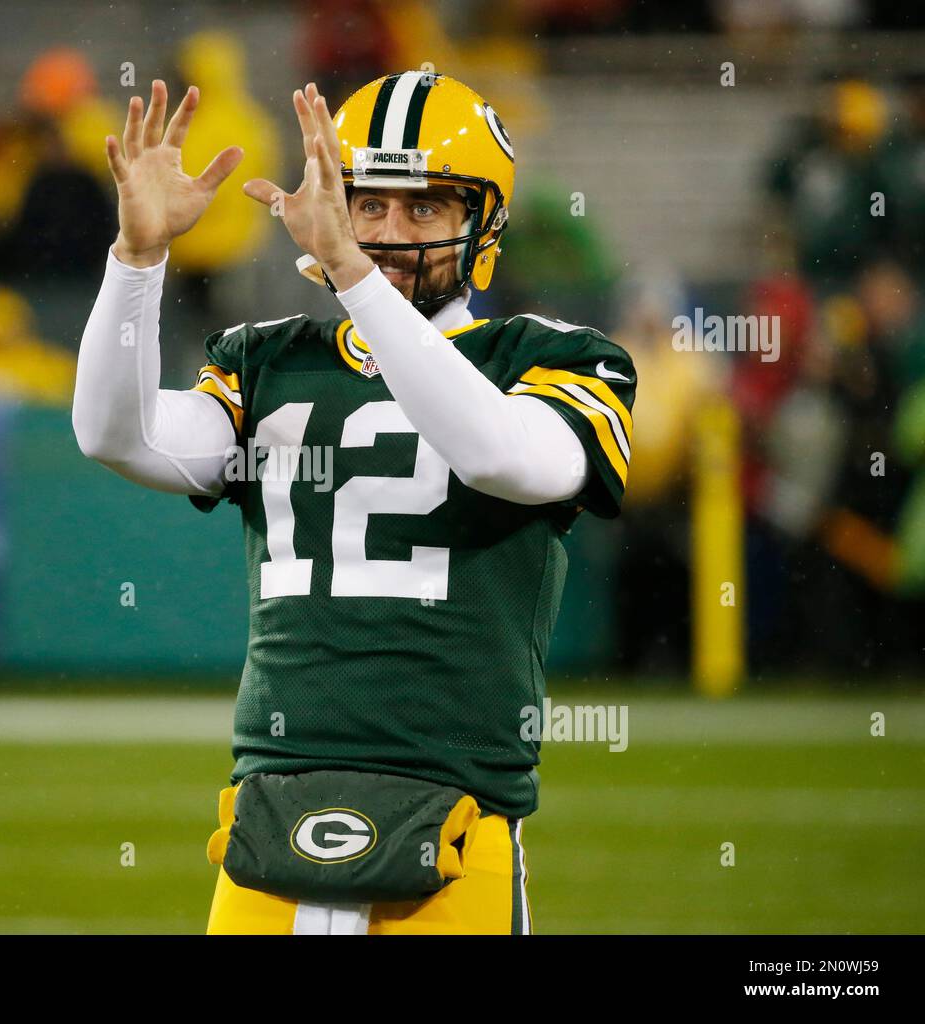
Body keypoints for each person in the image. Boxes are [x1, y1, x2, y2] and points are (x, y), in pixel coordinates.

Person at [74, 73, 636, 935]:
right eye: (365, 204)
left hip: (456, 817)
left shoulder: (550, 356)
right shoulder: (271, 359)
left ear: (482, 226)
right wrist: (136, 261)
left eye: (424, 209)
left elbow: (498, 455)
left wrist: (349, 272)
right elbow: (118, 434)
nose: (386, 233)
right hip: (270, 810)